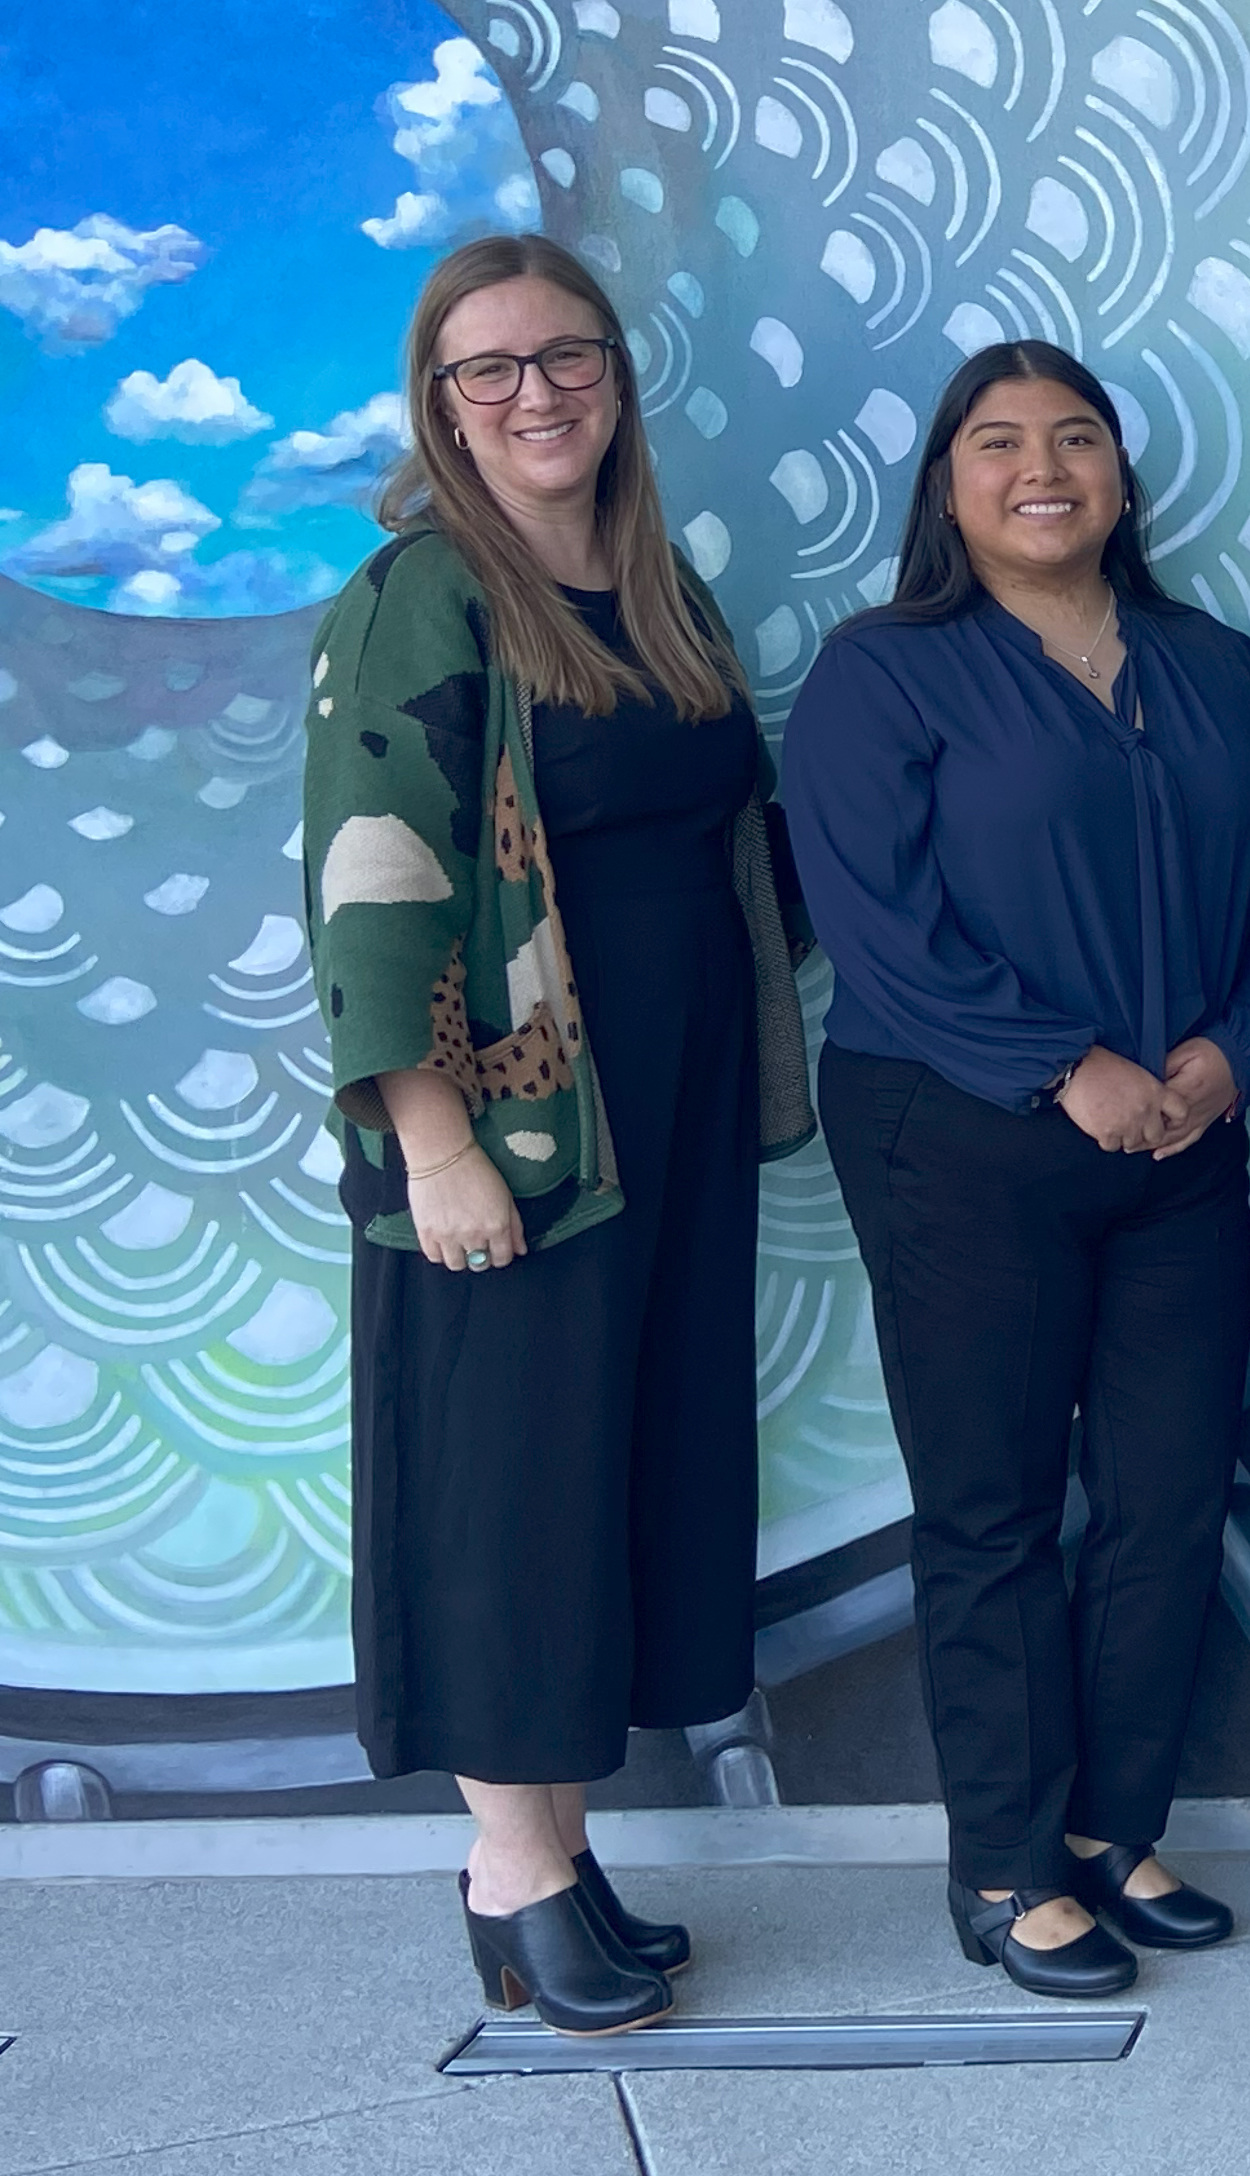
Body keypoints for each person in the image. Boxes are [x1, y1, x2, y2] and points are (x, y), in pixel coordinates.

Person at [302, 234, 807, 2034]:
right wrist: (430, 1147)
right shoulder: (420, 592)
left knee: (614, 1472)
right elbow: (373, 885)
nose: (537, 393)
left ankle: (566, 1857)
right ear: (438, 401)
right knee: (508, 1491)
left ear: (616, 374)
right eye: (489, 368)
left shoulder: (658, 587)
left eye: (567, 356)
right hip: (510, 1140)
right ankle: (511, 1877)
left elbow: (738, 843)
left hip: (662, 1120)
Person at [789, 342, 1250, 1999]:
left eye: (1076, 437)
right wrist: (1057, 1066)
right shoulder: (885, 673)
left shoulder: (1216, 665)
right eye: (1000, 440)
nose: (1043, 466)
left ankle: (1109, 1828)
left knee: (1164, 1495)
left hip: (1184, 1134)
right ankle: (1006, 1864)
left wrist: (1238, 1046)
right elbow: (874, 923)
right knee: (997, 1506)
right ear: (948, 483)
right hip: (956, 1137)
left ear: (1122, 478)